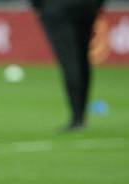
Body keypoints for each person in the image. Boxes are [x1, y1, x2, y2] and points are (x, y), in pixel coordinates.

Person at [31, 0, 106, 131]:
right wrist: (97, 4)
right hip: (86, 7)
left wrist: (37, 5)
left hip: (56, 8)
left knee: (70, 62)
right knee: (82, 60)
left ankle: (77, 118)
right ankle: (81, 116)